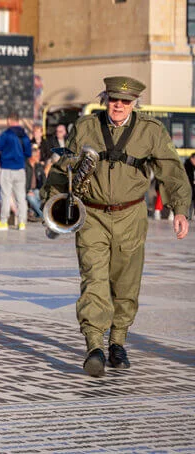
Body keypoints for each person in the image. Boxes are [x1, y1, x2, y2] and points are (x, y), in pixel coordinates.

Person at [41, 76, 191, 377]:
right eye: (113, 100)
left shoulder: (151, 131)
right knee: (94, 281)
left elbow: (171, 171)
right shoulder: (85, 127)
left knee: (126, 285)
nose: (118, 105)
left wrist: (179, 209)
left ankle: (118, 340)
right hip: (92, 216)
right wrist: (53, 203)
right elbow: (63, 169)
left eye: (125, 101)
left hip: (131, 217)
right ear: (104, 99)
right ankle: (94, 345)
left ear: (134, 103)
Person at [0, 112, 32, 231]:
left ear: (9, 120)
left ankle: (4, 222)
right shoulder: (24, 135)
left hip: (7, 168)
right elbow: (28, 153)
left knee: (6, 195)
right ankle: (22, 223)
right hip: (20, 169)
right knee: (21, 197)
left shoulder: (7, 134)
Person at [25, 145, 46, 221]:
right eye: (37, 156)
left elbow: (44, 179)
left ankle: (38, 214)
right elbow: (21, 182)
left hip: (36, 189)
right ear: (32, 157)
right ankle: (45, 217)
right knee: (31, 198)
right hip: (26, 190)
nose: (39, 157)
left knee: (38, 195)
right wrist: (27, 191)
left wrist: (43, 190)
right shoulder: (25, 166)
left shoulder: (39, 166)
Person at [185, 153, 195, 218]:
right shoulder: (187, 166)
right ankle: (187, 215)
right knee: (188, 201)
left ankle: (192, 215)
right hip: (188, 186)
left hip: (193, 187)